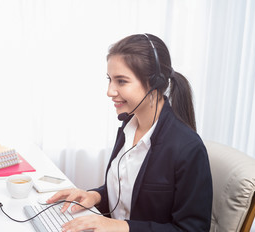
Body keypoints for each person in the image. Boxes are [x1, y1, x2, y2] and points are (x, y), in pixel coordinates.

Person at [47, 33, 213, 232]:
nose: (110, 90)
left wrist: (122, 227)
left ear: (156, 83)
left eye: (121, 81)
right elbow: (129, 197)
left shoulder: (187, 148)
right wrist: (95, 196)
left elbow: (191, 230)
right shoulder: (128, 126)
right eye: (110, 79)